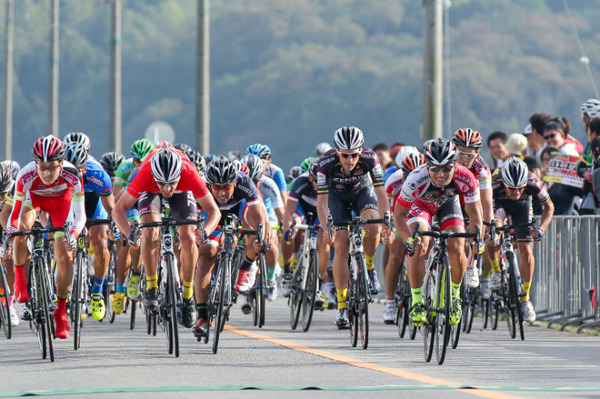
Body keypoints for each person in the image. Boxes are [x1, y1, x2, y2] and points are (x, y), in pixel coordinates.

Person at [113, 144, 221, 329]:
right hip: (149, 190)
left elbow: (214, 211)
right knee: (151, 230)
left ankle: (187, 296)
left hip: (184, 191)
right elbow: (118, 209)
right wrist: (130, 234)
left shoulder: (189, 173)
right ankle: (152, 285)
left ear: (179, 175)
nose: (167, 189)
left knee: (187, 236)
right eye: (162, 183)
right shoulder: (145, 173)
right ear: (155, 177)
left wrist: (204, 231)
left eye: (171, 183)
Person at [393, 138, 483, 326]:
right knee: (420, 245)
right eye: (434, 168)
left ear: (455, 164)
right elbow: (399, 215)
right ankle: (418, 301)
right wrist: (408, 238)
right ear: (427, 166)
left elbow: (475, 212)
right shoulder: (415, 179)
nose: (440, 174)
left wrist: (477, 237)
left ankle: (455, 296)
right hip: (421, 206)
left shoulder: (466, 176)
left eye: (446, 168)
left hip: (448, 205)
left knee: (458, 245)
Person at [5, 135, 86, 339]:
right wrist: (12, 231)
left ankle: (60, 312)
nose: (47, 172)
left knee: (66, 256)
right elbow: (14, 214)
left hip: (61, 204)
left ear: (61, 163)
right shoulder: (25, 175)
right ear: (35, 164)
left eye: (51, 166)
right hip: (35, 201)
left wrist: (74, 234)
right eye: (42, 167)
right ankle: (21, 282)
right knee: (22, 228)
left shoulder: (73, 175)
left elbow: (81, 215)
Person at [316, 125, 392, 329]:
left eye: (354, 155)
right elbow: (322, 202)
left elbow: (382, 194)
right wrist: (326, 228)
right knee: (340, 244)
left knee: (373, 225)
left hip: (362, 193)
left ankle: (369, 267)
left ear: (361, 151)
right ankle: (342, 307)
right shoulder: (324, 163)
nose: (349, 160)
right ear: (337, 152)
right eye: (344, 155)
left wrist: (386, 222)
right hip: (336, 197)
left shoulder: (370, 158)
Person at [193, 156, 269, 336]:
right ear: (209, 184)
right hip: (210, 211)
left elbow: (260, 217)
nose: (221, 193)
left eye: (226, 187)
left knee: (255, 223)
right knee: (206, 254)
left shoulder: (245, 182)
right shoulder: (201, 185)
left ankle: (248, 265)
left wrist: (261, 240)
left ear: (234, 182)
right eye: (217, 188)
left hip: (238, 207)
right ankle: (202, 316)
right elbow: (193, 219)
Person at [490, 157, 554, 322]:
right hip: (499, 204)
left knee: (526, 251)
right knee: (493, 235)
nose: (516, 192)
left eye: (520, 188)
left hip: (522, 207)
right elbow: (483, 207)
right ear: (504, 182)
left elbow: (549, 206)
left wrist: (540, 229)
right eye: (511, 188)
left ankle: (525, 298)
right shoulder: (494, 183)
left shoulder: (533, 182)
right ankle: (496, 270)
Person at [65, 140, 116, 321]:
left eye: (79, 171)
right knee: (65, 245)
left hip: (94, 201)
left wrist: (113, 225)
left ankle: (97, 292)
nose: (75, 175)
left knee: (101, 242)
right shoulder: (58, 175)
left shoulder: (97, 174)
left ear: (85, 167)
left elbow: (110, 207)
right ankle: (69, 287)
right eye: (71, 171)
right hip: (70, 202)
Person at [281, 160, 334, 310]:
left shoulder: (332, 182)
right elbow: (288, 212)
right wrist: (287, 232)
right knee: (292, 227)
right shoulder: (300, 182)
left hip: (321, 211)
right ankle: (287, 271)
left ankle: (319, 284)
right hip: (301, 209)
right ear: (310, 178)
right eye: (318, 181)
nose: (322, 184)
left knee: (324, 241)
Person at [381, 151, 424, 324]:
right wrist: (389, 230)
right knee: (396, 255)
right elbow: (390, 213)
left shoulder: (427, 178)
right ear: (402, 172)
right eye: (407, 174)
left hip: (419, 213)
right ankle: (390, 302)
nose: (411, 178)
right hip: (399, 215)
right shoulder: (394, 183)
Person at [451, 128, 493, 290]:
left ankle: (471, 265)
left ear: (477, 154)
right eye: (461, 153)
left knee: (479, 218)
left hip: (471, 203)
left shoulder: (481, 169)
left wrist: (488, 226)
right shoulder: (447, 164)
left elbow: (486, 202)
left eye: (469, 155)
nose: (464, 159)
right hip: (450, 199)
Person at [0, 163, 18, 326]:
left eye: (2, 194)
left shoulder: (14, 190)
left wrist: (10, 241)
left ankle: (9, 305)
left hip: (7, 225)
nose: (0, 199)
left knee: (9, 259)